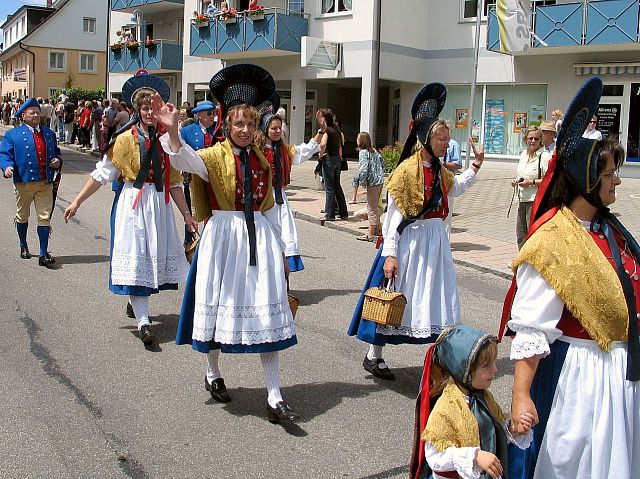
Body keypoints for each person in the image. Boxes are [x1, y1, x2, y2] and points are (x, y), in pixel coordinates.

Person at [500, 76, 640, 479]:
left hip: (615, 378)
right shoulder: (552, 241)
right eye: (612, 172)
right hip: (581, 385)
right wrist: (521, 394)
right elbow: (532, 325)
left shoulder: (608, 228)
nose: (617, 180)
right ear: (588, 179)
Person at [158, 64, 299, 422]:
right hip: (223, 238)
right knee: (218, 307)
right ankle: (213, 372)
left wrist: (282, 251)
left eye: (251, 124)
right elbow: (183, 159)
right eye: (239, 124)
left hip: (260, 241)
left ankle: (274, 394)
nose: (246, 130)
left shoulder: (263, 160)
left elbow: (269, 210)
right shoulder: (211, 156)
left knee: (268, 312)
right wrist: (173, 129)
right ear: (226, 124)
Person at [348, 83, 484, 380]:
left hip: (435, 241)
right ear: (426, 138)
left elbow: (456, 188)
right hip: (412, 241)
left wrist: (475, 165)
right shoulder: (406, 171)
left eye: (447, 139)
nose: (446, 144)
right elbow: (393, 218)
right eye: (441, 138)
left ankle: (443, 358)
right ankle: (374, 355)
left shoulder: (439, 170)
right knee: (396, 298)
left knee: (438, 295)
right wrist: (391, 255)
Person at [63, 74, 194, 345]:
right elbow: (101, 175)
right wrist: (76, 201)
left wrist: (187, 215)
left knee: (150, 258)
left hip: (159, 205)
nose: (149, 112)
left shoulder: (169, 140)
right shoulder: (124, 140)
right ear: (137, 110)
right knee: (137, 258)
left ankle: (137, 305)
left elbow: (174, 183)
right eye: (144, 108)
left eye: (153, 108)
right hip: (133, 203)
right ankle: (144, 322)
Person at [410, 325, 533, 479]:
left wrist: (511, 427)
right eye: (486, 365)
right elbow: (435, 457)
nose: (494, 370)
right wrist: (474, 456)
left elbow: (491, 431)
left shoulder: (484, 397)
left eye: (494, 363)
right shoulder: (447, 407)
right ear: (464, 370)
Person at [254, 93, 323, 271]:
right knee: (266, 237)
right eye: (274, 128)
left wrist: (320, 132)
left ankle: (283, 282)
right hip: (262, 200)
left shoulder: (284, 150)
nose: (278, 131)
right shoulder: (256, 151)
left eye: (280, 128)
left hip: (280, 199)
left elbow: (304, 151)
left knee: (285, 234)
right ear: (265, 130)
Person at [0, 98, 62, 267]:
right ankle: (23, 245)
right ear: (24, 115)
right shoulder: (13, 134)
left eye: (37, 112)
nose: (36, 115)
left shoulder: (49, 133)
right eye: (32, 112)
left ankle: (43, 253)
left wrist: (57, 160)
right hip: (23, 182)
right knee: (22, 215)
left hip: (45, 183)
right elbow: (5, 155)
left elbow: (57, 153)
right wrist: (6, 167)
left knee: (44, 218)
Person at [179, 99, 221, 246]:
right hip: (193, 177)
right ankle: (190, 240)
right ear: (200, 115)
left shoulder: (218, 130)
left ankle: (210, 238)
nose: (212, 116)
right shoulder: (187, 131)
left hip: (214, 177)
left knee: (212, 208)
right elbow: (181, 154)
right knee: (192, 208)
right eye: (209, 114)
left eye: (214, 113)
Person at [511, 126, 551, 250]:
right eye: (530, 138)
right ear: (525, 139)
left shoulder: (544, 156)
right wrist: (516, 180)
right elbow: (521, 174)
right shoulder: (524, 154)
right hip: (522, 199)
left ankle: (533, 266)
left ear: (541, 140)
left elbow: (549, 179)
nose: (532, 141)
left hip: (535, 200)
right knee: (521, 234)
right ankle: (522, 264)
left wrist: (531, 182)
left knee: (533, 235)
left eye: (536, 138)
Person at [317, 108, 348, 221]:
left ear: (325, 118)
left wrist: (320, 155)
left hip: (329, 158)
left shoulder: (327, 130)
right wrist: (340, 157)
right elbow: (340, 145)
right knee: (337, 186)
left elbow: (323, 144)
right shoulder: (336, 129)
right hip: (337, 159)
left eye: (321, 117)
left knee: (329, 188)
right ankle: (343, 212)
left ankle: (330, 214)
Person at [354, 132, 384, 242]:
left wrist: (362, 181)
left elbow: (363, 169)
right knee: (374, 207)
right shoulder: (374, 151)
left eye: (358, 138)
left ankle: (370, 234)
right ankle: (381, 230)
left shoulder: (363, 153)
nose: (356, 139)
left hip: (372, 182)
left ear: (361, 140)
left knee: (371, 208)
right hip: (379, 180)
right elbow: (382, 162)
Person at [442, 136, 462, 238]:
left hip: (448, 182)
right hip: (437, 183)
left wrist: (444, 164)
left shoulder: (453, 144)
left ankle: (446, 241)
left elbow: (458, 164)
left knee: (447, 214)